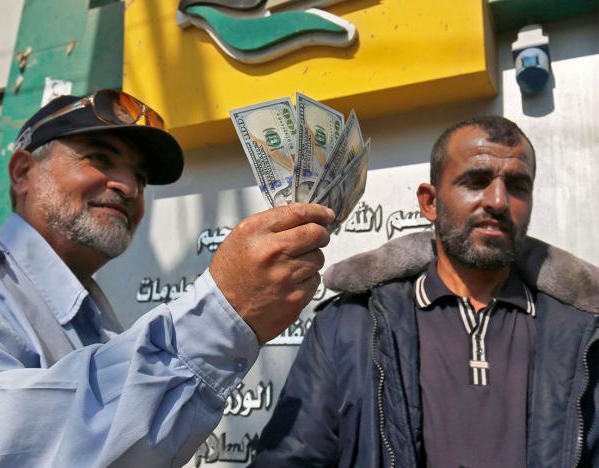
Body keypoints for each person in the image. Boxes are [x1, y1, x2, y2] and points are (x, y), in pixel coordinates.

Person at [0, 89, 334, 467]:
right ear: (23, 172)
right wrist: (219, 317)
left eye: (138, 178)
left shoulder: (96, 320)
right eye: (99, 158)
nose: (125, 186)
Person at [251, 116, 599, 467]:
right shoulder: (350, 327)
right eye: (476, 181)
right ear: (429, 202)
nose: (498, 200)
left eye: (517, 186)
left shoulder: (581, 336)